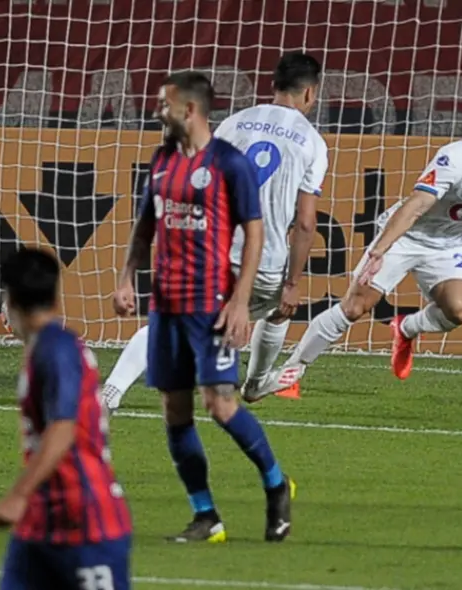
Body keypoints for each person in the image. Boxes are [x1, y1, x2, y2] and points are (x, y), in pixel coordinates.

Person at [254, 93, 462, 400]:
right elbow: (414, 208)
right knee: (355, 306)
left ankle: (406, 328)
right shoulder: (457, 159)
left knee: (458, 311)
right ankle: (293, 370)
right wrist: (378, 252)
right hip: (407, 236)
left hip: (446, 244)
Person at [114, 71, 294, 543]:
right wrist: (127, 277)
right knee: (175, 412)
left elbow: (253, 232)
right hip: (166, 307)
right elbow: (144, 226)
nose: (156, 110)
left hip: (210, 305)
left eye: (162, 104)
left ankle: (276, 485)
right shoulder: (160, 160)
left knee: (220, 405)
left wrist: (240, 301)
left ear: (189, 110)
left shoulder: (229, 164)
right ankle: (205, 515)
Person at [101, 52, 327, 410]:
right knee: (278, 310)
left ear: (273, 86)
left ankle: (111, 391)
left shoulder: (235, 123)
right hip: (264, 263)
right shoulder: (313, 142)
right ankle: (255, 382)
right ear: (311, 94)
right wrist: (294, 282)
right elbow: (305, 222)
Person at [0, 247, 132, 590]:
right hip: (41, 522)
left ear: (11, 301)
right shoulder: (45, 347)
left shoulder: (57, 349)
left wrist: (18, 495)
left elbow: (63, 427)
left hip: (87, 522)